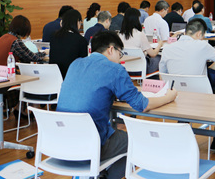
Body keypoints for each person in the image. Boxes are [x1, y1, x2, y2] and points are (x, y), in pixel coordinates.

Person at [57, 31, 177, 179]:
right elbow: (142, 105)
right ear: (111, 49)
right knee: (137, 140)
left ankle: (101, 174)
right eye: (120, 54)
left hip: (61, 142)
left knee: (115, 135)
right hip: (91, 144)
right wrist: (169, 97)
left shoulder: (75, 64)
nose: (120, 58)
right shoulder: (115, 70)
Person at [159, 19, 215, 152]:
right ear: (198, 34)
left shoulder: (167, 48)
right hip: (202, 99)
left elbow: (162, 76)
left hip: (175, 98)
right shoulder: (202, 45)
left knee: (184, 101)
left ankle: (182, 136)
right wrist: (210, 69)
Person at [119, 8, 162, 73]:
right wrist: (160, 44)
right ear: (136, 19)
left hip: (126, 68)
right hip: (142, 68)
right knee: (160, 58)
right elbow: (153, 54)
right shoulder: (140, 34)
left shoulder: (120, 35)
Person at [49, 9, 88, 78]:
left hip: (55, 77)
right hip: (72, 77)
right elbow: (83, 64)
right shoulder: (81, 40)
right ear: (77, 22)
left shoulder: (53, 36)